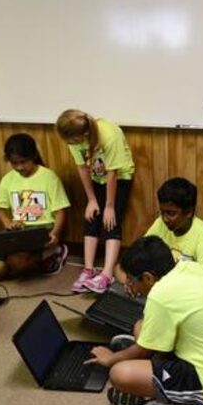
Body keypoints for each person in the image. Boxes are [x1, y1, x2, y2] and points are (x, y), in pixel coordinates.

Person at [85, 236, 203, 405]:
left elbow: (143, 350)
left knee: (119, 373)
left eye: (131, 281)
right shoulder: (190, 267)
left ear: (148, 278)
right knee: (140, 325)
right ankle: (150, 371)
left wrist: (110, 359)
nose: (131, 287)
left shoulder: (161, 296)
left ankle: (164, 399)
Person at [56, 109, 135, 293]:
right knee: (91, 218)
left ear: (84, 134)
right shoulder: (73, 137)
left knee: (110, 222)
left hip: (120, 177)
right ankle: (88, 269)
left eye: (73, 142)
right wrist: (91, 199)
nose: (70, 145)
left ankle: (107, 274)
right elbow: (82, 168)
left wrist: (109, 206)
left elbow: (112, 173)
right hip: (96, 177)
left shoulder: (109, 134)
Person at [0, 133, 70, 281]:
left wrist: (55, 234)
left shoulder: (49, 177)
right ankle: (18, 260)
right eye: (14, 163)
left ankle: (54, 251)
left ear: (33, 156)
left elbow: (60, 212)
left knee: (18, 265)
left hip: (42, 229)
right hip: (19, 231)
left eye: (23, 162)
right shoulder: (8, 179)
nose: (19, 167)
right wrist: (8, 224)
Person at [144, 177, 203, 275]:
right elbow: (141, 253)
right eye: (162, 212)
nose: (165, 219)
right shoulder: (160, 223)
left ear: (189, 212)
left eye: (171, 213)